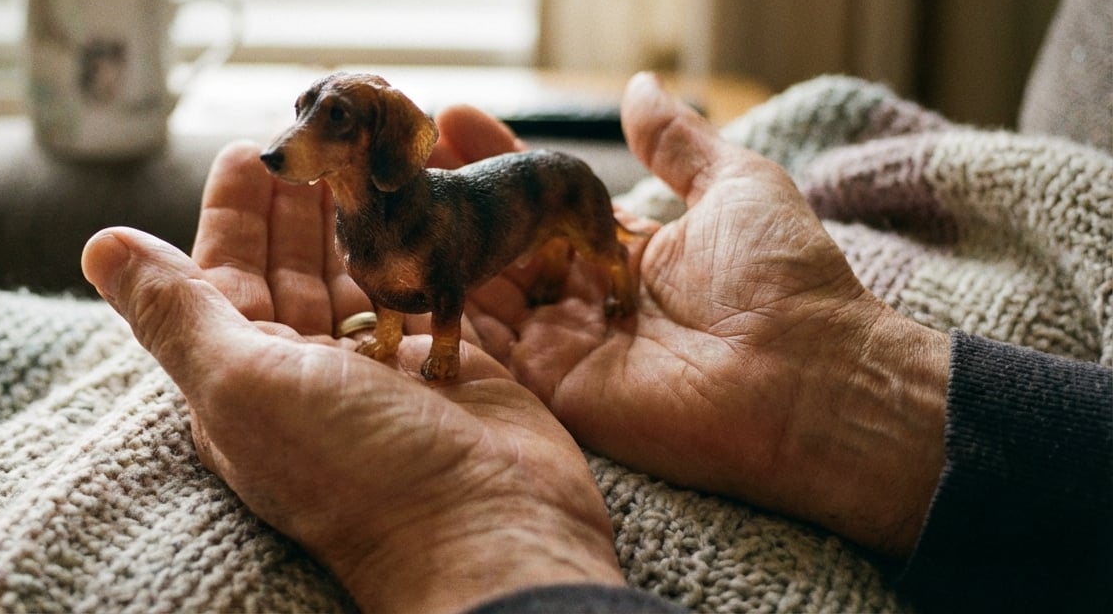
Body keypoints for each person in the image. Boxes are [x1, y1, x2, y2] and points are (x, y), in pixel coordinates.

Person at [81, 73, 1111, 613]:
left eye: (328, 120)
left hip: (527, 226)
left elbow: (441, 281)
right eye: (306, 117)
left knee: (588, 235)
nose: (295, 139)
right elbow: (379, 279)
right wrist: (853, 407)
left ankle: (605, 269)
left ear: (381, 137)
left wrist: (452, 542)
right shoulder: (357, 223)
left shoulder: (438, 198)